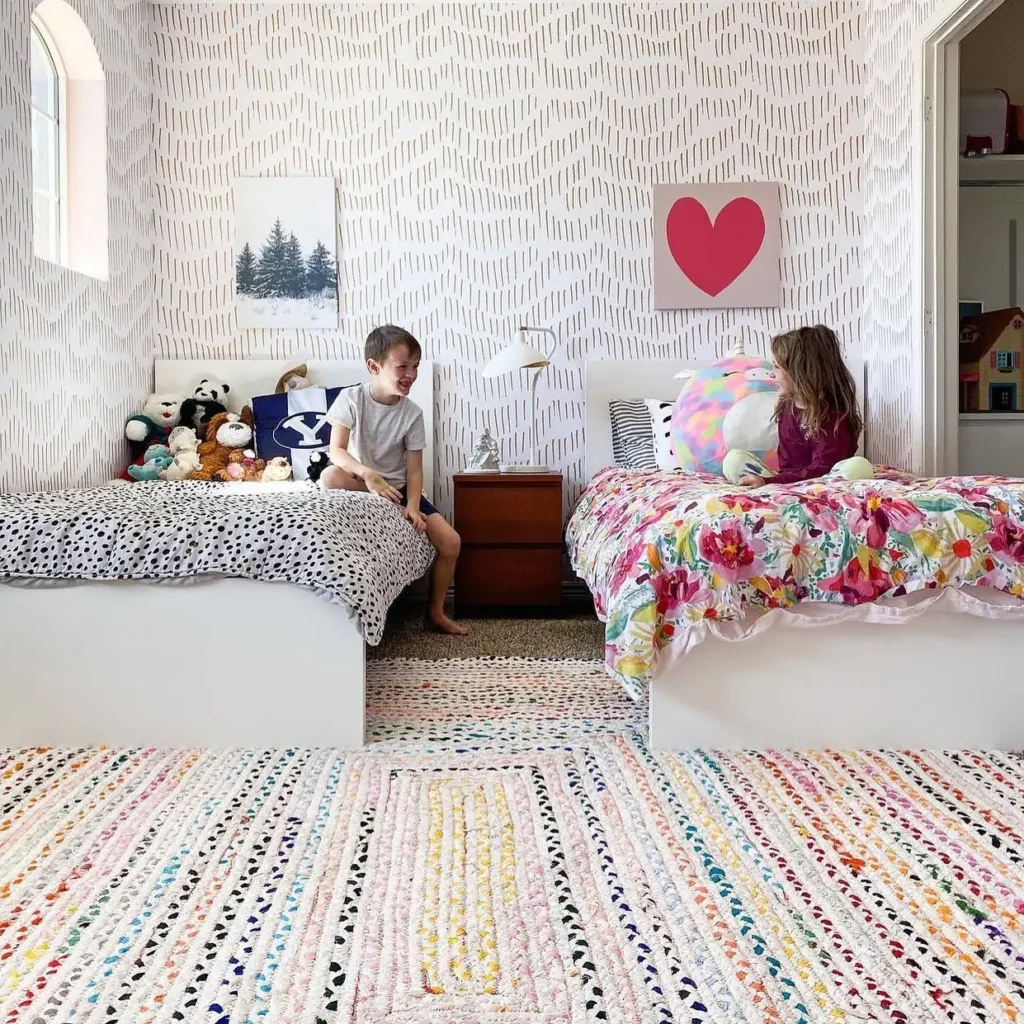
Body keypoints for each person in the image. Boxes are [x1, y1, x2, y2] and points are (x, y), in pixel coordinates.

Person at [321, 325, 468, 636]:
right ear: (374, 367)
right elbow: (336, 450)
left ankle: (436, 613)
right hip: (361, 480)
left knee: (451, 542)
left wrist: (413, 506)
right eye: (403, 366)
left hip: (399, 489)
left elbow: (415, 470)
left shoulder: (412, 414)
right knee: (330, 476)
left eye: (415, 366)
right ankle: (379, 493)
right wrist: (367, 474)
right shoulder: (351, 399)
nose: (411, 374)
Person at [739, 324, 862, 486]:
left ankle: (768, 487)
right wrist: (773, 480)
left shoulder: (832, 417)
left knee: (859, 467)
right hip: (789, 480)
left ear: (800, 373)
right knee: (735, 459)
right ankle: (756, 486)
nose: (771, 373)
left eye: (777, 366)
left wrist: (773, 482)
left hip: (824, 482)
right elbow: (786, 466)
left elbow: (822, 470)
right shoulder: (787, 407)